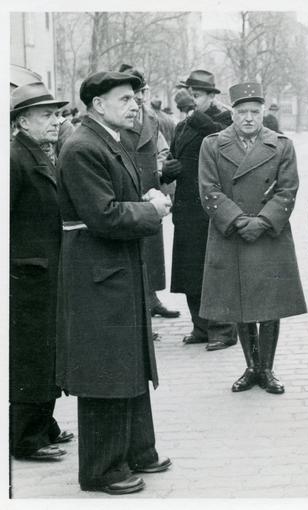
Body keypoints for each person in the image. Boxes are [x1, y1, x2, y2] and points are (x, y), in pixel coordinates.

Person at [56, 71, 173, 495]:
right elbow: (103, 215)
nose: (134, 105)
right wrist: (153, 211)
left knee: (128, 360)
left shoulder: (106, 138)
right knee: (106, 367)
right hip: (98, 271)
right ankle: (102, 469)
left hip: (113, 268)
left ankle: (137, 450)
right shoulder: (84, 146)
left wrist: (144, 201)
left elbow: (114, 201)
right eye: (124, 99)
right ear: (97, 104)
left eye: (135, 99)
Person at [198, 82, 307, 393]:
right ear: (232, 113)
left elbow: (288, 190)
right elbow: (208, 190)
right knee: (240, 301)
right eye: (242, 112)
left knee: (270, 303)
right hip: (231, 233)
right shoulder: (213, 145)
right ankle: (250, 367)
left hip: (269, 232)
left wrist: (262, 221)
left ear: (263, 113)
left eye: (254, 112)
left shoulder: (281, 145)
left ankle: (268, 369)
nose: (248, 118)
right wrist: (236, 220)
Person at [9, 82, 74, 462]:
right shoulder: (14, 158)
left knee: (46, 352)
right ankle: (24, 439)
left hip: (43, 273)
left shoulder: (41, 152)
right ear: (22, 121)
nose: (57, 121)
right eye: (47, 115)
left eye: (58, 114)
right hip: (26, 277)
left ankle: (43, 425)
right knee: (30, 357)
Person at [160, 71, 237, 351]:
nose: (191, 102)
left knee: (214, 271)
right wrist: (168, 170)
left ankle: (224, 329)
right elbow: (172, 156)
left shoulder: (225, 121)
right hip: (187, 208)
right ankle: (200, 326)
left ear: (212, 97)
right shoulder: (181, 127)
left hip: (212, 209)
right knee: (190, 271)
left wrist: (195, 115)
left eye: (198, 96)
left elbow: (224, 142)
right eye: (189, 96)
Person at [118, 65, 179, 326]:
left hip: (151, 188)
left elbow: (161, 150)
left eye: (141, 91)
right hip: (129, 190)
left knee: (152, 251)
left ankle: (151, 299)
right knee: (134, 251)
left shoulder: (152, 118)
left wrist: (164, 170)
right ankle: (139, 311)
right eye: (132, 92)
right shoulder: (118, 118)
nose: (139, 98)